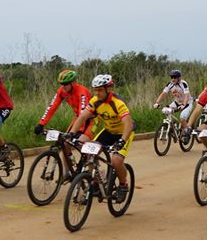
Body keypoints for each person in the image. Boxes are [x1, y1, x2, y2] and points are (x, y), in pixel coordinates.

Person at [68, 74, 134, 203]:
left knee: (116, 160)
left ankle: (123, 184)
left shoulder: (118, 103)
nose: (97, 93)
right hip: (108, 132)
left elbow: (128, 124)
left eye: (100, 90)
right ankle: (96, 183)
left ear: (108, 89)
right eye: (95, 90)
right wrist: (72, 133)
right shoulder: (95, 101)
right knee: (89, 151)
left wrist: (122, 141)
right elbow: (82, 117)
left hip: (124, 133)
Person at [34, 69, 92, 180]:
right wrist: (41, 123)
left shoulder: (82, 92)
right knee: (65, 143)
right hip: (78, 118)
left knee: (83, 145)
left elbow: (83, 113)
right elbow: (52, 107)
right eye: (62, 84)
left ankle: (93, 173)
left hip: (90, 119)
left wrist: (77, 131)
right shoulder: (62, 91)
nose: (63, 87)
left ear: (73, 83)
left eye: (66, 84)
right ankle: (68, 173)